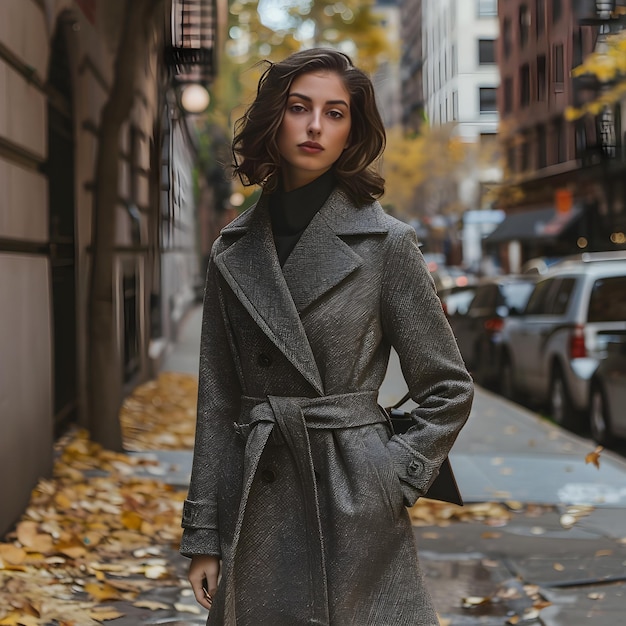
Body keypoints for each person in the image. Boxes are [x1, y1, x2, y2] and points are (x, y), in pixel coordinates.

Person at [180, 48, 474, 626]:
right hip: (257, 496)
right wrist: (203, 537)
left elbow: (448, 388)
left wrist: (390, 477)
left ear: (351, 132)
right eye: (300, 108)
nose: (316, 126)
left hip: (353, 503)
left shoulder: (385, 244)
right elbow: (215, 405)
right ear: (275, 119)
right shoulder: (231, 252)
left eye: (335, 113)